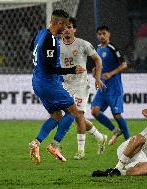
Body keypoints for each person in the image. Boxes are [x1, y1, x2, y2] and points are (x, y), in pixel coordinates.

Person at [28, 9, 87, 164]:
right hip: (49, 83)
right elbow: (49, 68)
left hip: (38, 82)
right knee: (74, 112)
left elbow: (31, 50)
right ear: (59, 23)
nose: (66, 29)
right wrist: (71, 70)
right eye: (65, 25)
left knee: (56, 116)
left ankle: (36, 142)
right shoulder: (51, 40)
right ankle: (55, 145)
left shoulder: (40, 33)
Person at [59, 17, 107, 160]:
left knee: (78, 115)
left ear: (74, 29)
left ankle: (81, 151)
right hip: (65, 85)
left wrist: (98, 78)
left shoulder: (83, 44)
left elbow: (98, 59)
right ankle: (100, 137)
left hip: (80, 85)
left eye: (69, 27)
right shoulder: (57, 46)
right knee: (75, 116)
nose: (66, 30)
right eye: (65, 27)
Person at [91, 25, 130, 145]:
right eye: (99, 34)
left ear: (109, 34)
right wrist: (95, 70)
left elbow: (124, 64)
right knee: (94, 111)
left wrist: (111, 73)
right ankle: (115, 130)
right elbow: (100, 65)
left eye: (104, 33)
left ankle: (128, 140)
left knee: (116, 114)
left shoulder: (112, 48)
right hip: (103, 88)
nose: (102, 36)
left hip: (114, 88)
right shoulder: (97, 48)